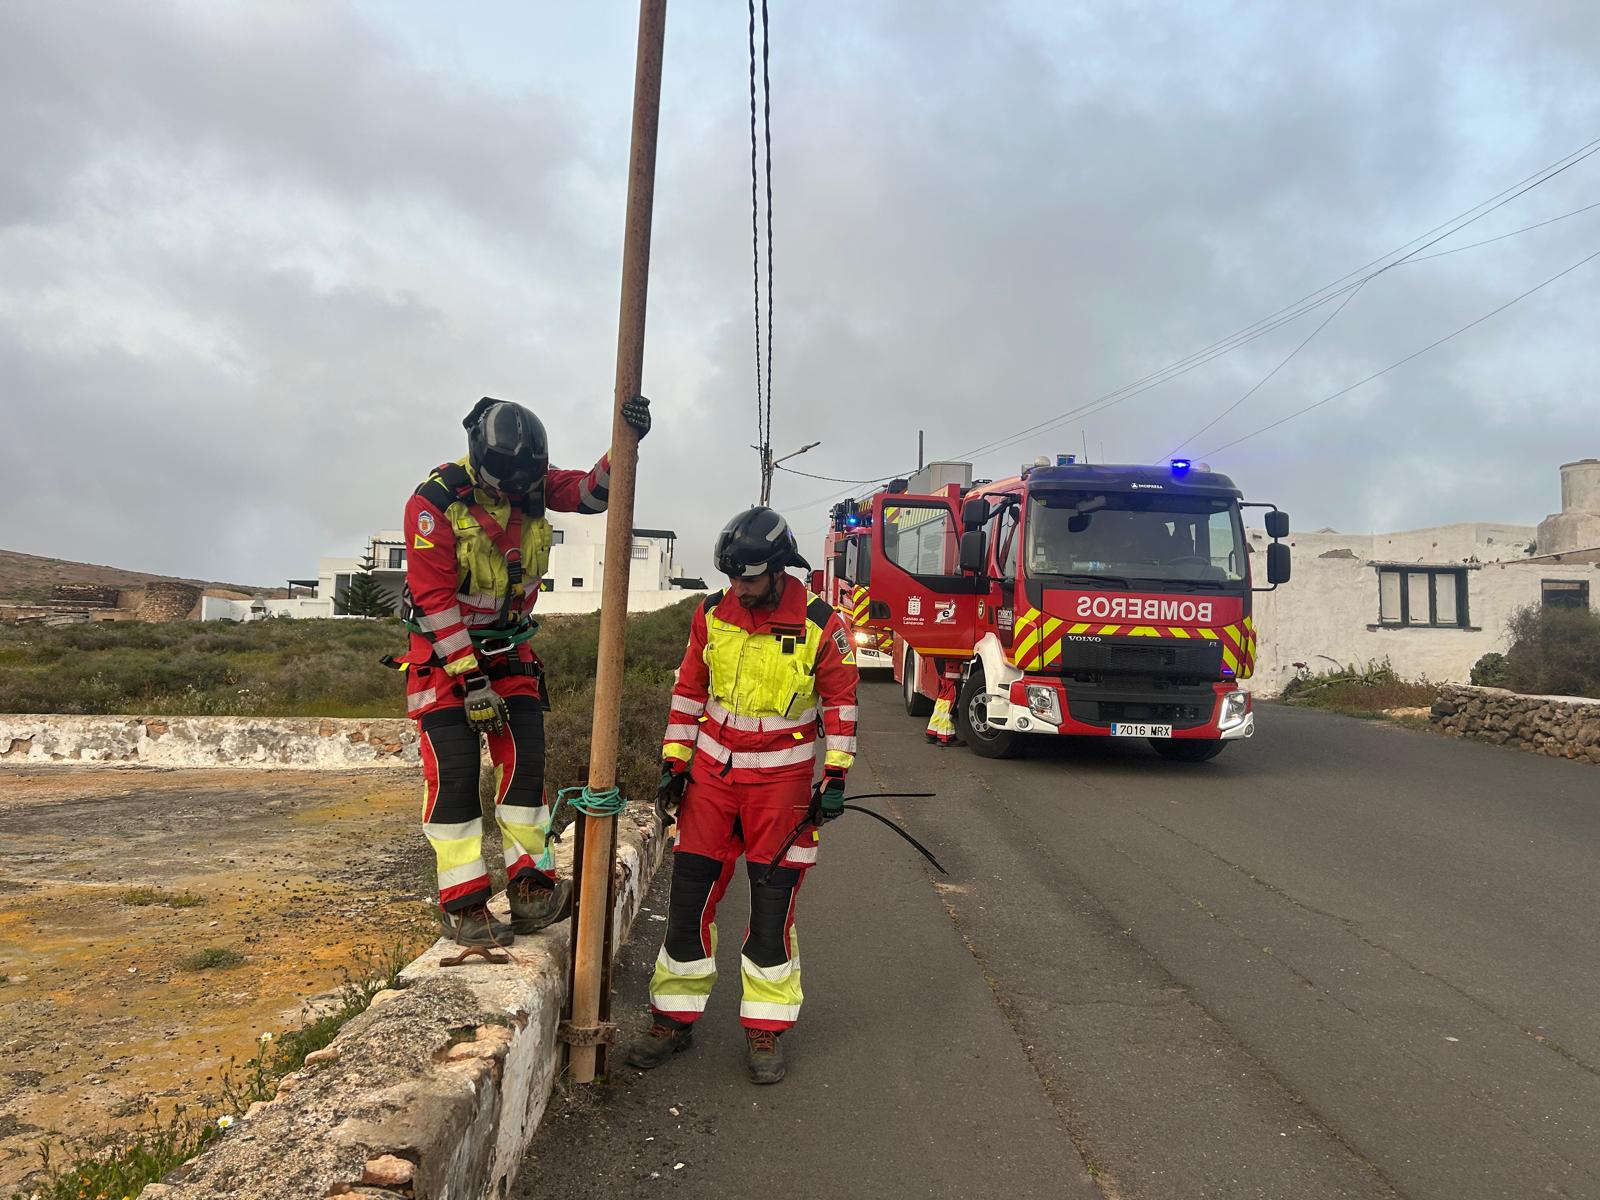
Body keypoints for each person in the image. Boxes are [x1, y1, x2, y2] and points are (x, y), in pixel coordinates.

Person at [400, 394, 651, 948]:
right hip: (443, 661)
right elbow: (436, 598)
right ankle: (464, 906)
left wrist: (623, 447)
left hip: (511, 655)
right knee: (457, 782)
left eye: (523, 484)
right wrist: (469, 680)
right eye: (504, 485)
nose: (514, 495)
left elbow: (592, 495)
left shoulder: (532, 483)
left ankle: (531, 890)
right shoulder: (434, 503)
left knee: (525, 778)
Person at [626, 507, 859, 1084]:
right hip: (711, 777)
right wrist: (673, 763)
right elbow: (688, 690)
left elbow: (842, 704)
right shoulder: (711, 613)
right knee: (688, 898)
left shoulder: (822, 625)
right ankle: (672, 1020)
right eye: (733, 578)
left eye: (750, 579)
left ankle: (765, 1028)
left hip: (781, 783)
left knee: (772, 906)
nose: (740, 589)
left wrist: (835, 777)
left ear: (780, 569)